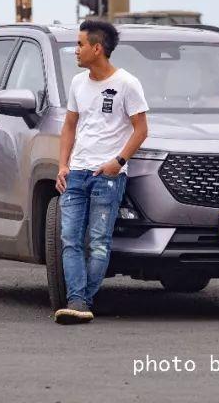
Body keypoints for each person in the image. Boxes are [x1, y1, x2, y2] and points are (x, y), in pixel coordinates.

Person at [54, 20, 149, 324]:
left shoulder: (127, 84)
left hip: (107, 175)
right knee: (69, 238)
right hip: (76, 173)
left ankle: (81, 300)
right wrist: (63, 165)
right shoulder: (78, 83)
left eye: (80, 45)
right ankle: (79, 301)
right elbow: (69, 126)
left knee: (98, 241)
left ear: (97, 48)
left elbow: (141, 129)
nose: (76, 51)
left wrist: (118, 162)